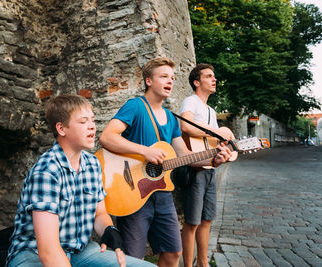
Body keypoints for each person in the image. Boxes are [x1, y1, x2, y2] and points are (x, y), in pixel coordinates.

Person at [99, 58, 232, 267]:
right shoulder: (135, 106)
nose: (170, 81)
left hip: (162, 194)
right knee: (135, 259)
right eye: (163, 76)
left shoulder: (171, 118)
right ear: (149, 80)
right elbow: (106, 137)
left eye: (172, 78)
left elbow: (184, 156)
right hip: (133, 192)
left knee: (173, 253)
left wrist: (215, 159)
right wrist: (145, 151)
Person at [6, 94, 155, 267]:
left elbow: (99, 213)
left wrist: (109, 230)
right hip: (34, 255)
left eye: (92, 120)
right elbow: (48, 252)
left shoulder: (92, 164)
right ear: (61, 129)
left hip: (80, 251)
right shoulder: (47, 172)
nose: (92, 126)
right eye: (83, 122)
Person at [179, 63, 236, 267]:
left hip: (210, 167)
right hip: (195, 168)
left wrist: (225, 143)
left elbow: (211, 140)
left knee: (207, 220)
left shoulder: (211, 110)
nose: (214, 79)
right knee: (192, 222)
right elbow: (185, 126)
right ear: (197, 82)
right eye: (209, 76)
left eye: (214, 76)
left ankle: (203, 263)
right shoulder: (191, 102)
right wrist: (217, 131)